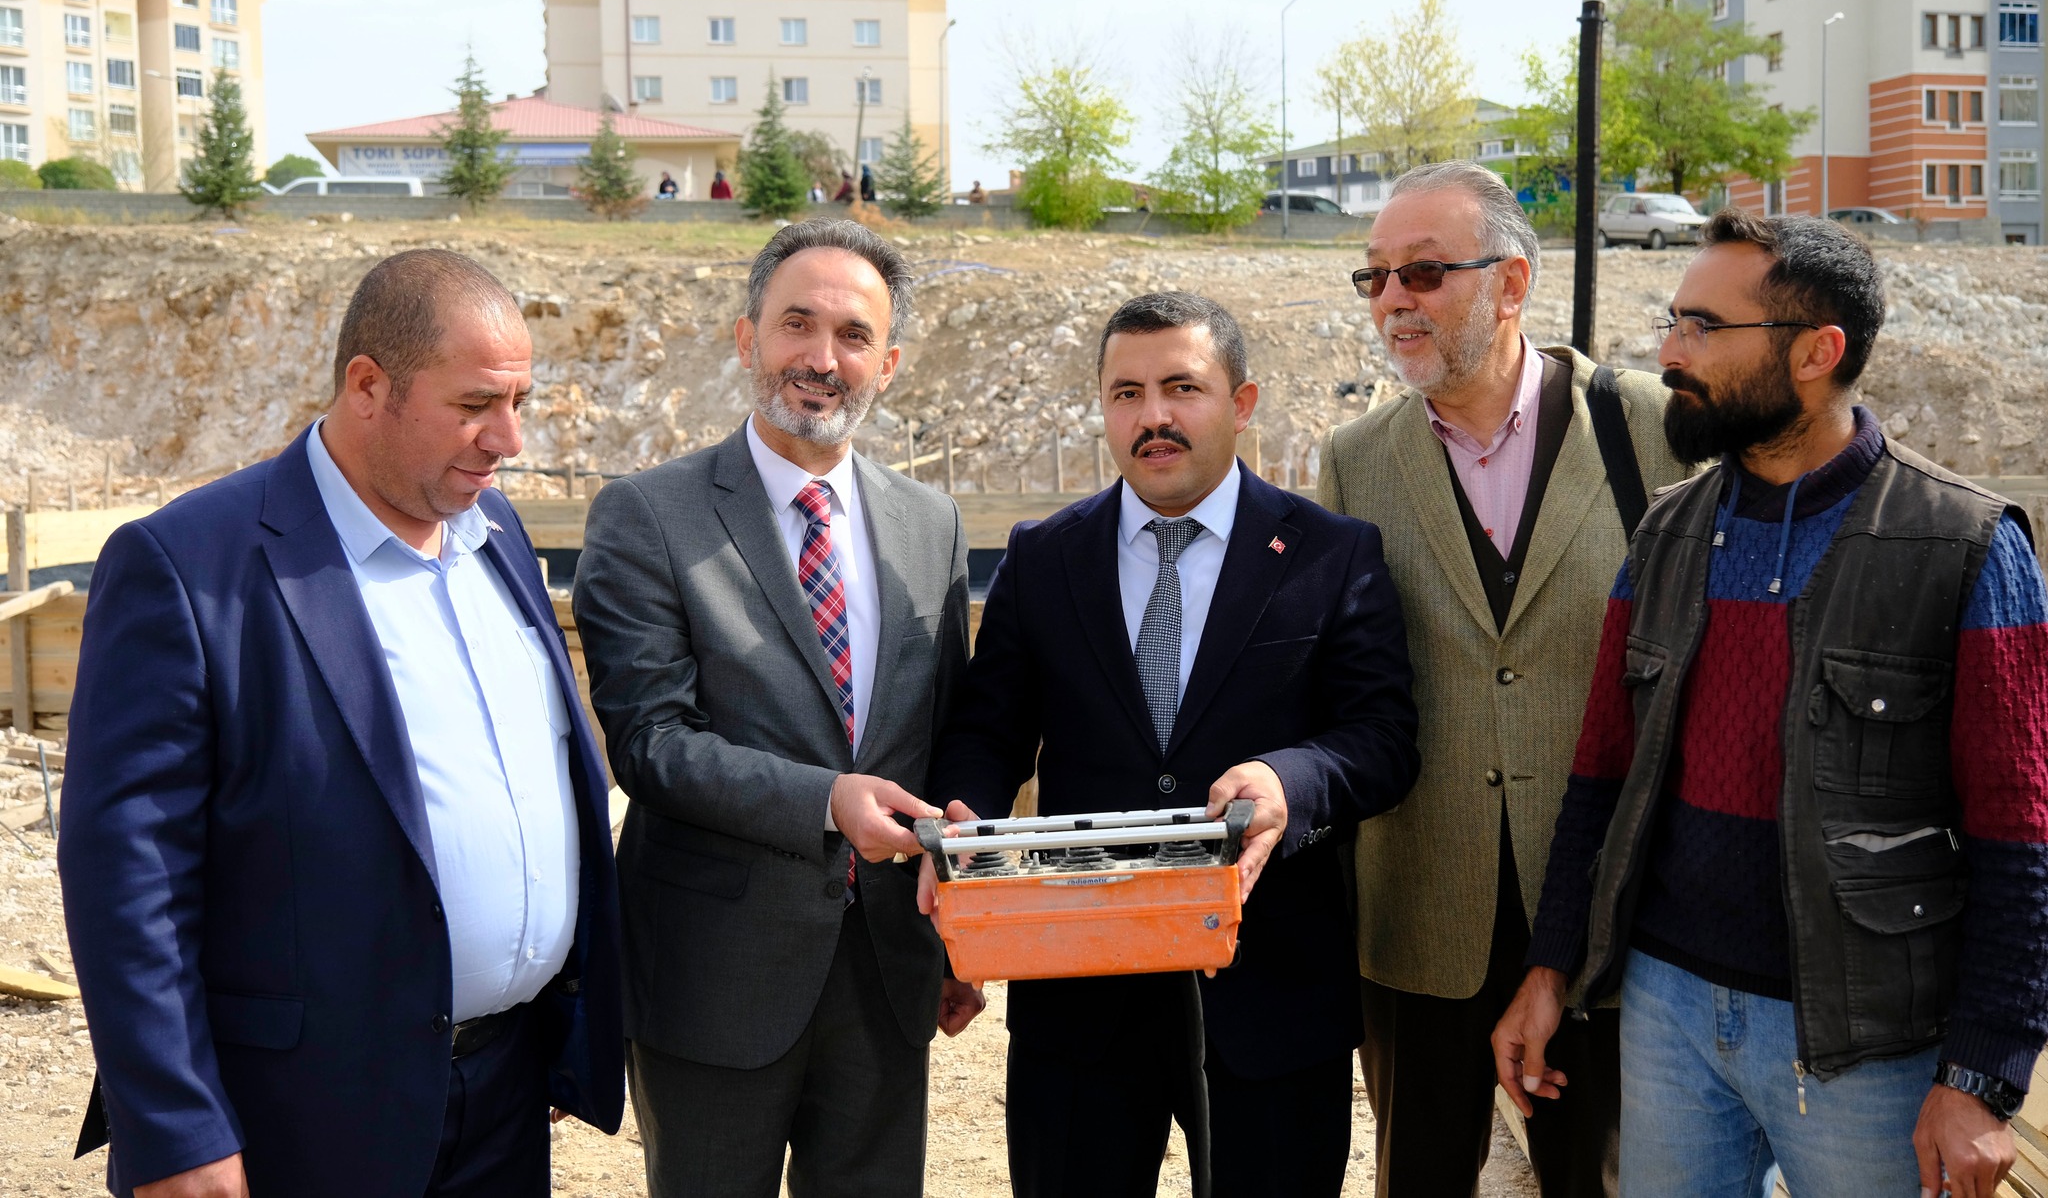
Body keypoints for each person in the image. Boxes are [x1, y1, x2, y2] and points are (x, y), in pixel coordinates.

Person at [1494, 208, 2048, 1197]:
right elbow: (1600, 776)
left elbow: (2021, 838)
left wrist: (1981, 1077)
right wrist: (1547, 971)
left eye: (1704, 326)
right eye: (1673, 319)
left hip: (1866, 1047)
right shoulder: (1663, 532)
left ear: (1816, 351)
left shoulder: (1963, 545)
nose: (1669, 350)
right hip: (1664, 1016)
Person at [59, 249, 624, 1198]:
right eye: (477, 403)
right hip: (300, 1115)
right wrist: (174, 1126)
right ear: (369, 385)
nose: (510, 438)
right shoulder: (188, 565)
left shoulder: (499, 537)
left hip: (506, 1096)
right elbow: (127, 874)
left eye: (521, 399)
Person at [926, 291, 1421, 1198]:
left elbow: (1383, 738)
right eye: (1126, 393)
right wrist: (966, 823)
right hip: (1076, 996)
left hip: (1269, 993)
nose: (1152, 416)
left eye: (1182, 387)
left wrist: (1287, 778)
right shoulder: (1042, 558)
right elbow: (986, 729)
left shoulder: (1331, 552)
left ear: (1243, 402)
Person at [573, 219, 976, 1198]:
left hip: (888, 972)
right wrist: (825, 801)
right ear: (747, 337)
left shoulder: (931, 524)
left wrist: (966, 917)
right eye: (796, 324)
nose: (820, 358)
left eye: (850, 335)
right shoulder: (647, 516)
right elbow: (650, 743)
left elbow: (944, 739)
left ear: (887, 362)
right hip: (714, 979)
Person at [1318, 160, 1689, 1198]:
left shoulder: (1648, 430)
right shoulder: (1351, 459)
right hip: (1418, 916)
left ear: (1511, 283)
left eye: (1423, 273)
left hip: (1608, 922)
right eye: (1376, 277)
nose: (1393, 299)